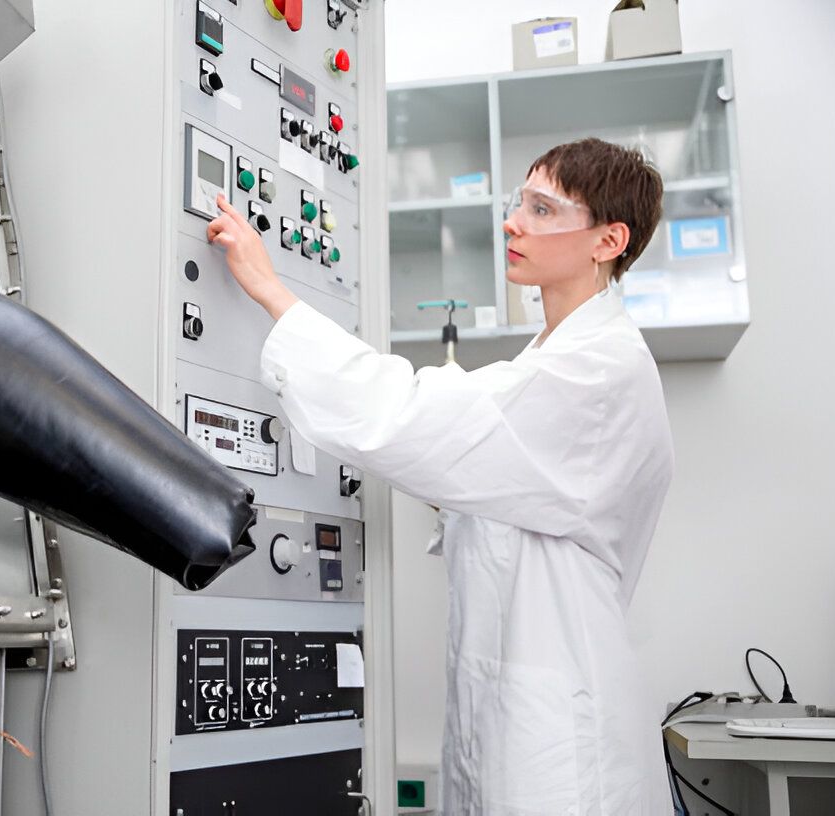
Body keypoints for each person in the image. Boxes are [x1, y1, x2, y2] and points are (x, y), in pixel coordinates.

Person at [207, 137, 674, 815]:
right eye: (519, 203)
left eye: (543, 210)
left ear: (609, 239)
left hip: (561, 742)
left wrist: (274, 293)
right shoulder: (556, 359)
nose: (512, 221)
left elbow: (411, 418)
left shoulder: (598, 370)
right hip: (516, 704)